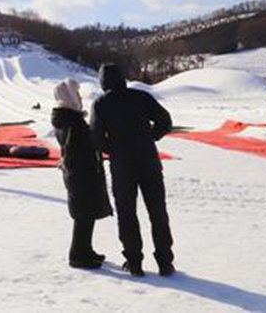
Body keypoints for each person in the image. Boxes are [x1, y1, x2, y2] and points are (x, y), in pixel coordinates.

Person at [91, 63, 174, 277]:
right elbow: (165, 121)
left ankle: (134, 263)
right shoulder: (140, 97)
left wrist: (114, 148)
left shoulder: (101, 104)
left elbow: (96, 138)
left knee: (127, 214)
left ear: (103, 82)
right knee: (158, 212)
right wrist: (150, 137)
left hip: (122, 165)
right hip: (149, 161)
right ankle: (165, 262)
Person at [51, 79, 112, 270]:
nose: (80, 98)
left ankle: (86, 250)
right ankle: (78, 255)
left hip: (80, 174)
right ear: (69, 98)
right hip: (82, 175)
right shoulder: (73, 122)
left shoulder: (69, 119)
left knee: (86, 215)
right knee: (84, 216)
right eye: (77, 95)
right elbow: (75, 151)